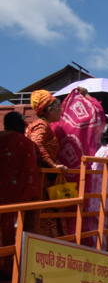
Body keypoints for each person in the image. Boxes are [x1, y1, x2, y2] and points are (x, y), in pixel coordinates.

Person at [52, 88, 107, 237]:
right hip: (74, 175)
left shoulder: (56, 125)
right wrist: (87, 94)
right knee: (74, 213)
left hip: (57, 176)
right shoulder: (59, 126)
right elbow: (97, 113)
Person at [26, 90, 69, 236]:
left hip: (43, 179)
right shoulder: (41, 125)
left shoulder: (41, 125)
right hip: (42, 181)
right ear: (49, 110)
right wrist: (53, 165)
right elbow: (36, 143)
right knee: (43, 216)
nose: (61, 112)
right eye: (58, 108)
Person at [0, 111, 42, 261]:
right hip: (10, 192)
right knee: (6, 226)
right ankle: (5, 264)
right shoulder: (25, 143)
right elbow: (30, 169)